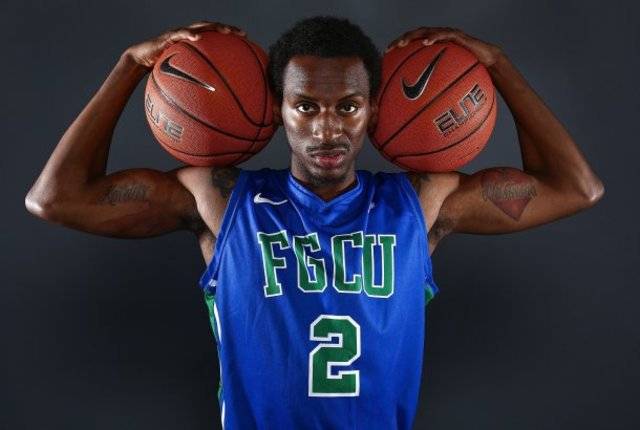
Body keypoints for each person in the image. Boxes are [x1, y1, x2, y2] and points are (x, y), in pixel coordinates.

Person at [25, 15, 604, 430]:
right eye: (306, 106)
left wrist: (497, 65)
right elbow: (55, 200)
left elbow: (577, 188)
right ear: (277, 110)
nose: (327, 128)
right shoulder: (219, 200)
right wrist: (129, 66)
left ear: (373, 110)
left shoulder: (422, 202)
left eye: (348, 106)